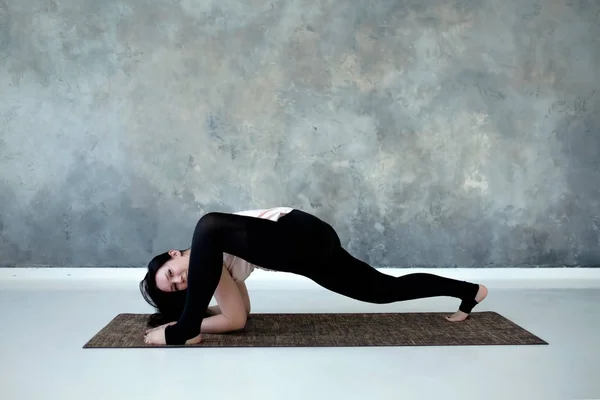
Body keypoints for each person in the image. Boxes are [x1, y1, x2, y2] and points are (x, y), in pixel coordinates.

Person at [140, 207, 488, 345]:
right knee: (384, 289)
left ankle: (180, 331)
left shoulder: (209, 241)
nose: (179, 281)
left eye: (171, 273)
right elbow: (238, 315)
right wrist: (203, 315)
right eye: (175, 287)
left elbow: (234, 318)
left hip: (296, 233)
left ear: (174, 254)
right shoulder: (211, 266)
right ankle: (469, 291)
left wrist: (185, 328)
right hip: (310, 250)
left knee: (208, 223)